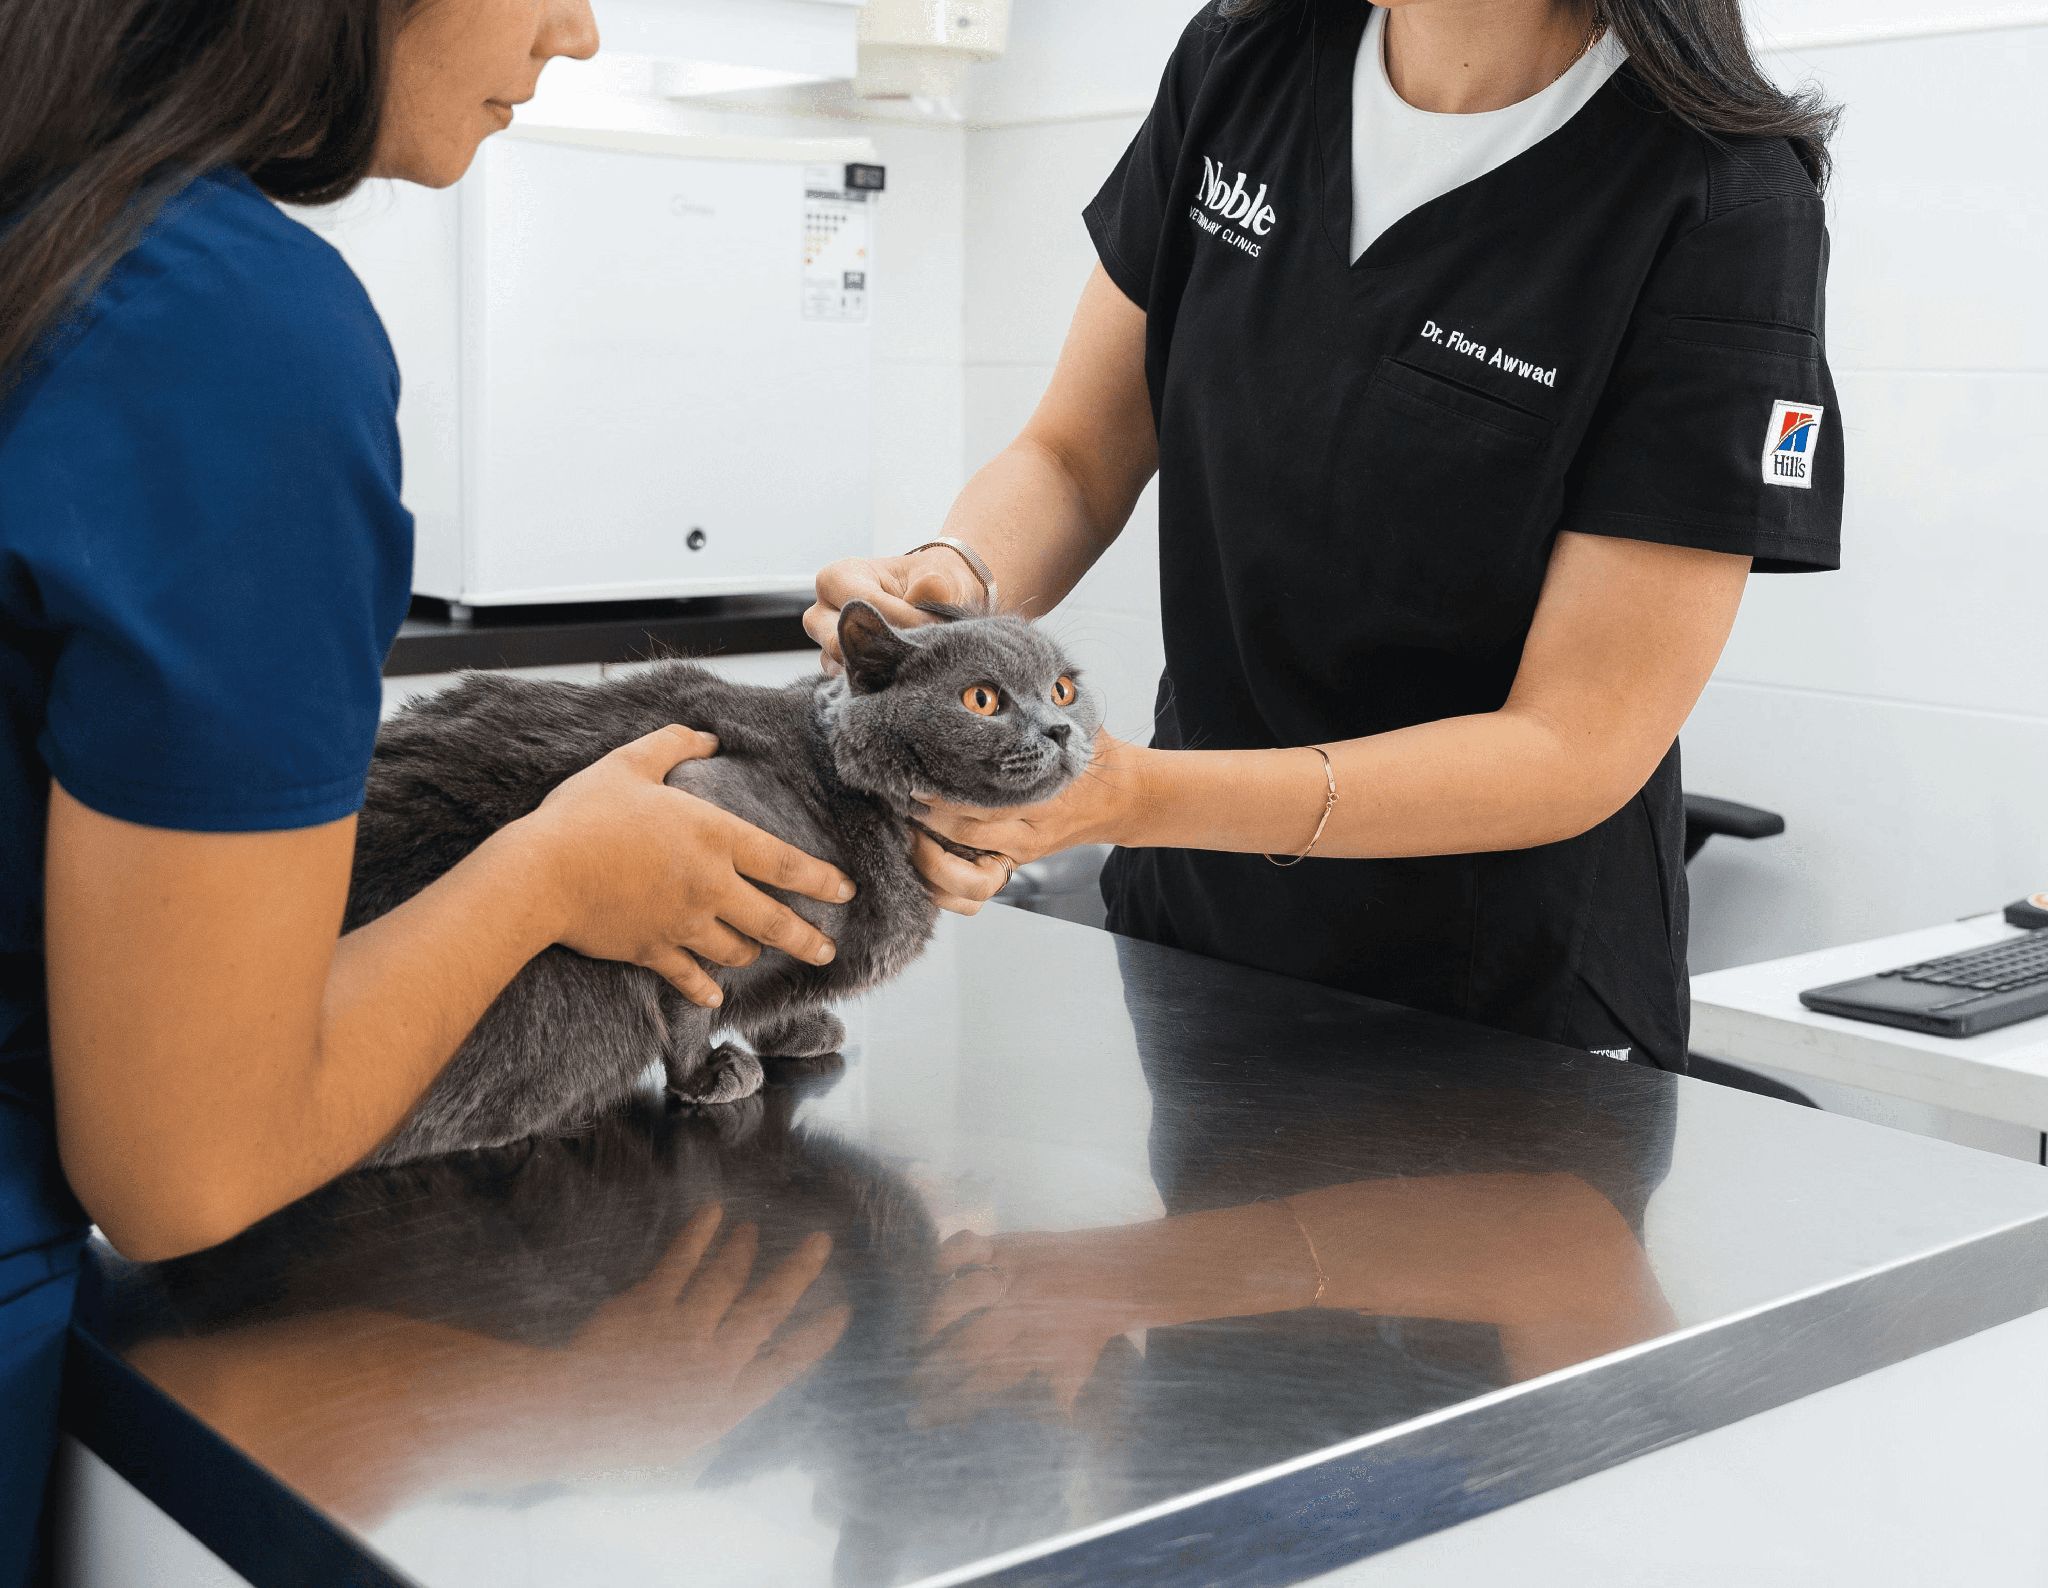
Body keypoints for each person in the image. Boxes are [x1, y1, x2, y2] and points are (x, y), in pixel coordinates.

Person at [0, 2, 854, 1576]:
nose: (581, 32)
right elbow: (185, 1165)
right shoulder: (230, 334)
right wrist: (548, 872)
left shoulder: (58, 227)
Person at [810, 0, 1843, 1075]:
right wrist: (949, 587)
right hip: (1200, 945)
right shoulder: (1244, 60)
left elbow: (1574, 744)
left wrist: (1136, 794)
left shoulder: (1718, 198)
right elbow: (1074, 455)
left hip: (1497, 1016)